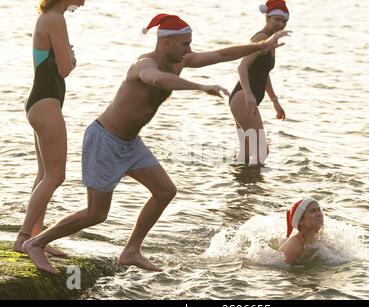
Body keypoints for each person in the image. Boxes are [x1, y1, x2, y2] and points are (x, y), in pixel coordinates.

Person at [23, 13, 289, 274]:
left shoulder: (180, 61)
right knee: (96, 213)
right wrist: (199, 86)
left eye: (190, 44)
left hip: (130, 143)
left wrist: (262, 45)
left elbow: (220, 55)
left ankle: (131, 251)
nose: (189, 49)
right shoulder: (144, 64)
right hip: (105, 140)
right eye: (185, 44)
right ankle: (36, 243)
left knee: (165, 191)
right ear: (166, 44)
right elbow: (157, 80)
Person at [13, 0, 85, 256]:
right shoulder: (55, 19)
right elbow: (65, 69)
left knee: (44, 174)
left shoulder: (49, 17)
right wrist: (73, 57)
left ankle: (35, 236)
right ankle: (24, 238)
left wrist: (65, 54)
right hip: (45, 103)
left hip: (40, 101)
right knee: (56, 176)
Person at [229, 0, 289, 165]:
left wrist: (275, 101)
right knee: (262, 151)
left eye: (284, 21)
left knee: (247, 152)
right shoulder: (261, 38)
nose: (281, 24)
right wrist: (249, 95)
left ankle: (241, 186)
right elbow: (242, 67)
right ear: (267, 17)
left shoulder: (271, 41)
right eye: (277, 19)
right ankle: (254, 188)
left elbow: (264, 73)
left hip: (246, 98)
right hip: (243, 98)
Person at [279, 197, 324, 264]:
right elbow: (284, 271)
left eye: (319, 210)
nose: (319, 214)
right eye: (312, 211)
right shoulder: (294, 246)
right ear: (300, 221)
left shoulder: (321, 237)